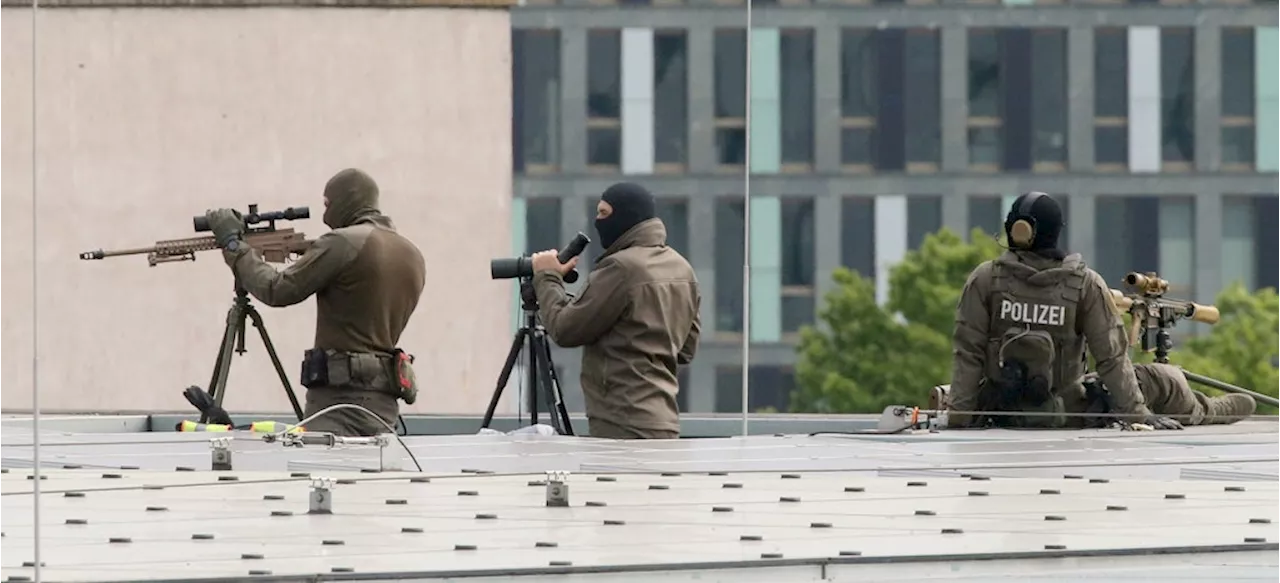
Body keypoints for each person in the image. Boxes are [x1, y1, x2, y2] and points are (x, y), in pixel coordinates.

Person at [203, 168, 426, 436]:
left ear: (348, 200)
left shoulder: (343, 243)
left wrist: (234, 247)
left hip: (337, 405)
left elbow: (277, 290)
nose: (324, 215)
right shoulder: (412, 254)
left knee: (321, 471)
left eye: (327, 204)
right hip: (383, 404)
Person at [948, 191, 1188, 430]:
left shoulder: (986, 279)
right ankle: (1224, 407)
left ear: (1016, 231)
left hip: (1002, 412)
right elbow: (1112, 358)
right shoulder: (1085, 284)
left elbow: (968, 354)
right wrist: (1139, 417)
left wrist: (959, 420)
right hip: (1069, 415)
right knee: (1165, 380)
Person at [528, 182, 700, 439]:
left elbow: (564, 330)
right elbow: (685, 351)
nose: (597, 221)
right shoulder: (682, 269)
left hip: (621, 421)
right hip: (664, 420)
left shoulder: (620, 268)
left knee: (617, 481)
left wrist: (547, 277)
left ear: (627, 216)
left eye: (604, 213)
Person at [1082, 363, 1256, 426]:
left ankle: (1221, 406)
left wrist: (1140, 416)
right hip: (1148, 378)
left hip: (1163, 386)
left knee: (1205, 412)